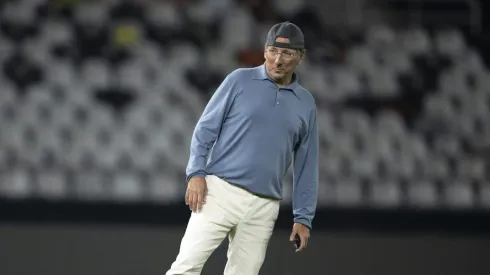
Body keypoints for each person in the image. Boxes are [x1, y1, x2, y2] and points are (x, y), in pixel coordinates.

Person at [166, 21, 319, 275]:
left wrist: (303, 218)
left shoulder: (306, 103)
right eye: (272, 51)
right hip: (219, 193)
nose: (278, 60)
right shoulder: (239, 81)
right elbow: (205, 129)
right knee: (186, 268)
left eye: (287, 53)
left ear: (300, 57)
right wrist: (196, 173)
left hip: (264, 205)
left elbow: (307, 164)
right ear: (265, 51)